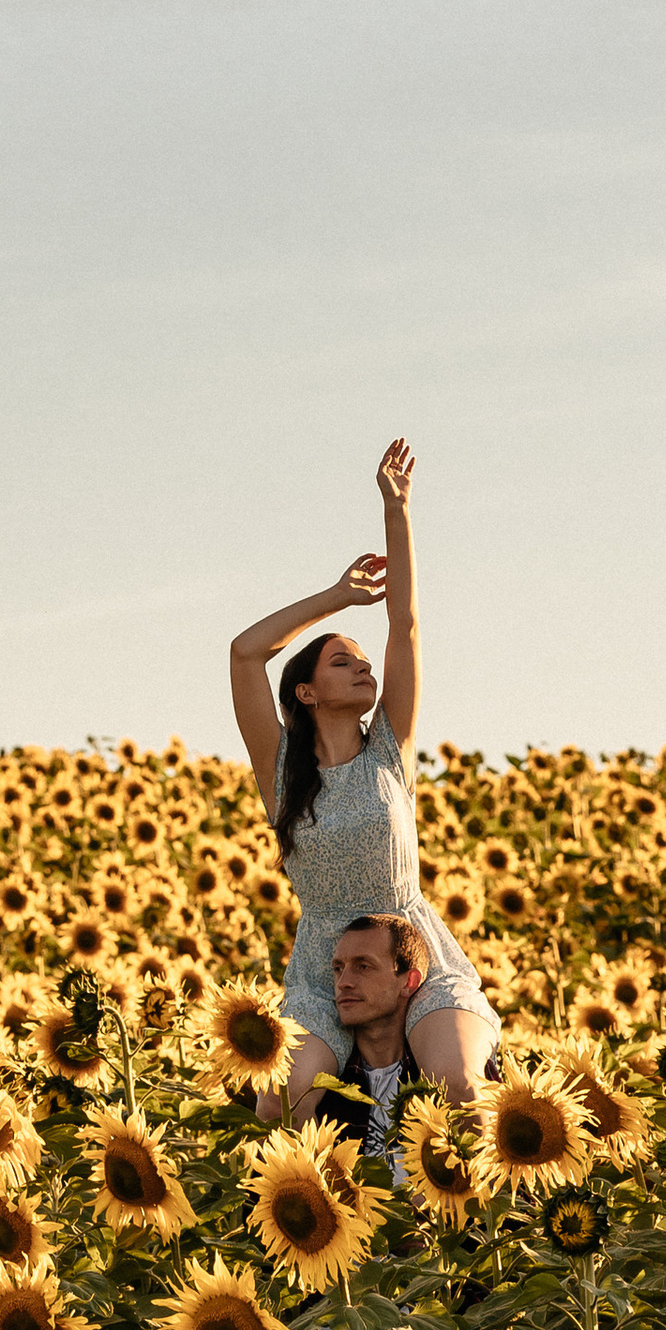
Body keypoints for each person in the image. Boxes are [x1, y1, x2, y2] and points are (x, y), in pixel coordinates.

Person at [227, 438, 501, 1113]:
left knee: (461, 1090)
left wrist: (396, 510)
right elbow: (243, 654)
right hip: (325, 973)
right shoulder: (283, 772)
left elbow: (403, 625)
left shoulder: (390, 754)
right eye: (341, 663)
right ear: (306, 693)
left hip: (415, 957)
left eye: (361, 660)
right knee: (281, 1105)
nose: (362, 667)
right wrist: (337, 598)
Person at [312, 912, 498, 1156]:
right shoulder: (327, 1089)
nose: (343, 982)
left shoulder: (441, 1077)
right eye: (338, 968)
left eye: (363, 966)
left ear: (409, 981)